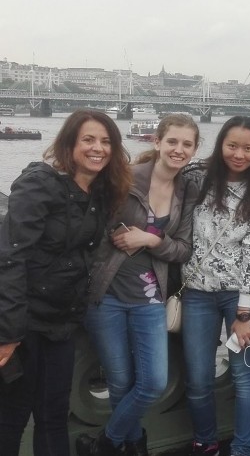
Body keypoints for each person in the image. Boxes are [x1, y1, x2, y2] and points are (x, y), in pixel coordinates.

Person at [0, 109, 132, 456]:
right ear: (69, 143)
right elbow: (10, 256)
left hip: (61, 321)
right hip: (24, 321)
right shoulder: (40, 184)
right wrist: (9, 334)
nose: (98, 148)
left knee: (54, 413)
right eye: (88, 139)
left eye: (106, 141)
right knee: (11, 417)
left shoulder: (100, 193)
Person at [78, 114, 200, 456]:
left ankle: (107, 442)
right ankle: (132, 445)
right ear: (157, 141)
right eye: (172, 141)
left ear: (194, 149)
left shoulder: (187, 191)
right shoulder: (124, 177)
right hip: (106, 294)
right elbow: (95, 228)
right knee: (119, 381)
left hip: (151, 297)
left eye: (186, 144)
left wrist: (149, 239)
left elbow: (183, 249)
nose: (178, 150)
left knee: (152, 383)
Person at [181, 116, 250, 456]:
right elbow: (159, 175)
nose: (239, 154)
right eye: (232, 145)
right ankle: (205, 441)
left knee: (245, 376)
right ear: (220, 144)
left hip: (243, 296)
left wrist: (245, 313)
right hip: (197, 294)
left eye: (249, 148)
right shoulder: (196, 178)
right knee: (197, 377)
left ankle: (243, 448)